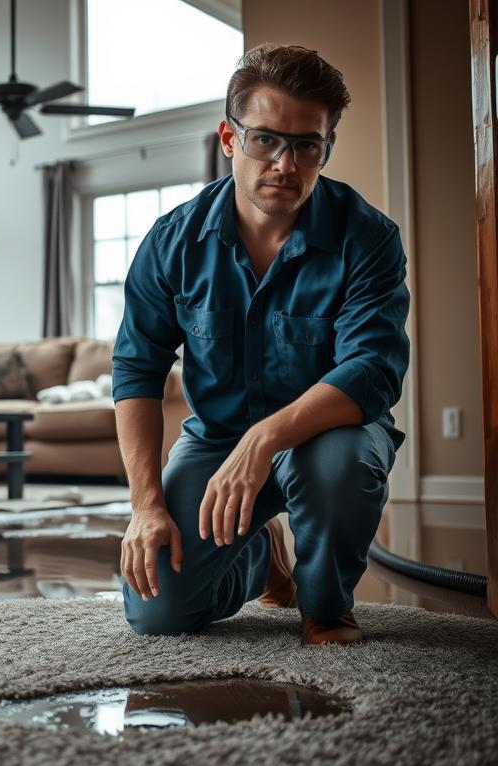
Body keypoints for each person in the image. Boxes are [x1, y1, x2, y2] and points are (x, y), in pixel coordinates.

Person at [111, 44, 410, 645]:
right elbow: (136, 370)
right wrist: (146, 505)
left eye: (307, 145)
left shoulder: (368, 237)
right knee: (158, 615)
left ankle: (325, 606)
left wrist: (266, 436)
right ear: (229, 138)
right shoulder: (172, 243)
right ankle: (263, 556)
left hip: (330, 437)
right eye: (266, 139)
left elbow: (373, 370)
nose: (284, 163)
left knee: (338, 462)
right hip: (216, 440)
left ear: (326, 147)